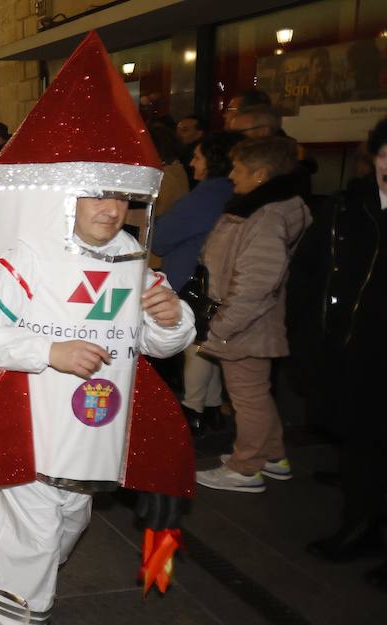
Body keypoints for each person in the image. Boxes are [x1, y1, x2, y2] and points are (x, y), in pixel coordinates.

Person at [0, 32, 196, 624]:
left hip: (98, 431)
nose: (110, 209)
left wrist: (172, 319)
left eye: (119, 197)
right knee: (31, 537)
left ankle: (24, 598)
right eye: (96, 195)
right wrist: (50, 351)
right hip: (33, 424)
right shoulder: (27, 259)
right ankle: (20, 613)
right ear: (67, 197)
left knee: (67, 525)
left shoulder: (133, 256)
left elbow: (160, 343)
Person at [292, 117, 387, 586]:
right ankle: (362, 525)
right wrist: (308, 334)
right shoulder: (350, 206)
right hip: (356, 348)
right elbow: (309, 272)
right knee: (362, 445)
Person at [195, 136, 311, 493]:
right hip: (249, 321)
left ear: (261, 174)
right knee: (254, 393)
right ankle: (273, 456)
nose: (231, 175)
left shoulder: (267, 215)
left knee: (247, 395)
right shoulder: (265, 207)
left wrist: (222, 325)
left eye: (238, 169)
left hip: (247, 323)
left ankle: (246, 468)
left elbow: (256, 283)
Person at [151, 132, 242, 436]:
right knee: (208, 343)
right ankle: (212, 407)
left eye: (198, 157)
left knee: (195, 343)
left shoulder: (206, 195)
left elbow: (162, 238)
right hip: (221, 279)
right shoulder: (233, 192)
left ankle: (194, 410)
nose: (192, 162)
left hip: (195, 279)